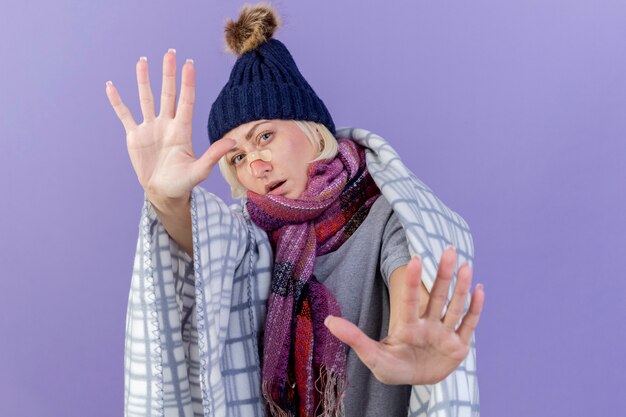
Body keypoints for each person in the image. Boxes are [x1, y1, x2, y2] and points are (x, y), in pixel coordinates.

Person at [106, 4, 484, 417]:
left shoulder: (384, 216)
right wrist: (163, 198)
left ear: (310, 128)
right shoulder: (251, 237)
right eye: (236, 158)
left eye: (265, 136)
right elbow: (205, 244)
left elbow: (411, 277)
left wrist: (408, 343)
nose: (256, 165)